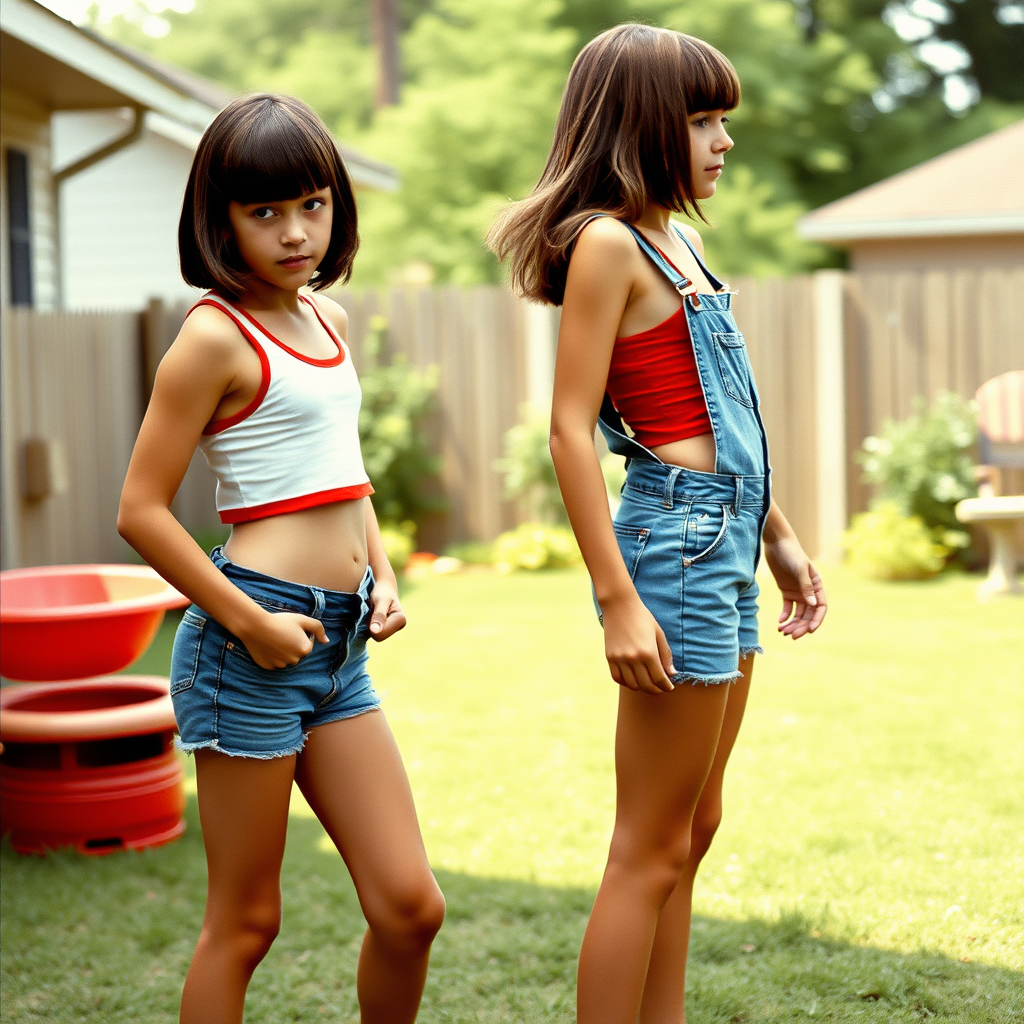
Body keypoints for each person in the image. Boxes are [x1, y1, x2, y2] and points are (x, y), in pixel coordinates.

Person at [488, 24, 827, 1023]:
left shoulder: (680, 243)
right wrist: (615, 600)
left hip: (724, 535)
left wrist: (780, 536)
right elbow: (566, 430)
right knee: (647, 843)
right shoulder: (604, 243)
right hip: (670, 548)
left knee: (695, 820)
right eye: (703, 120)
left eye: (723, 119)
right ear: (640, 126)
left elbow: (730, 409)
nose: (723, 142)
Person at [118, 94, 445, 1024]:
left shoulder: (327, 318)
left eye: (312, 204)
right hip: (249, 643)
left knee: (410, 906)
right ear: (219, 220)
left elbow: (346, 476)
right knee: (247, 921)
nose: (295, 232)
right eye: (264, 212)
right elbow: (139, 511)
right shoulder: (213, 337)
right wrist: (248, 622)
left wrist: (379, 574)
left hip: (337, 649)